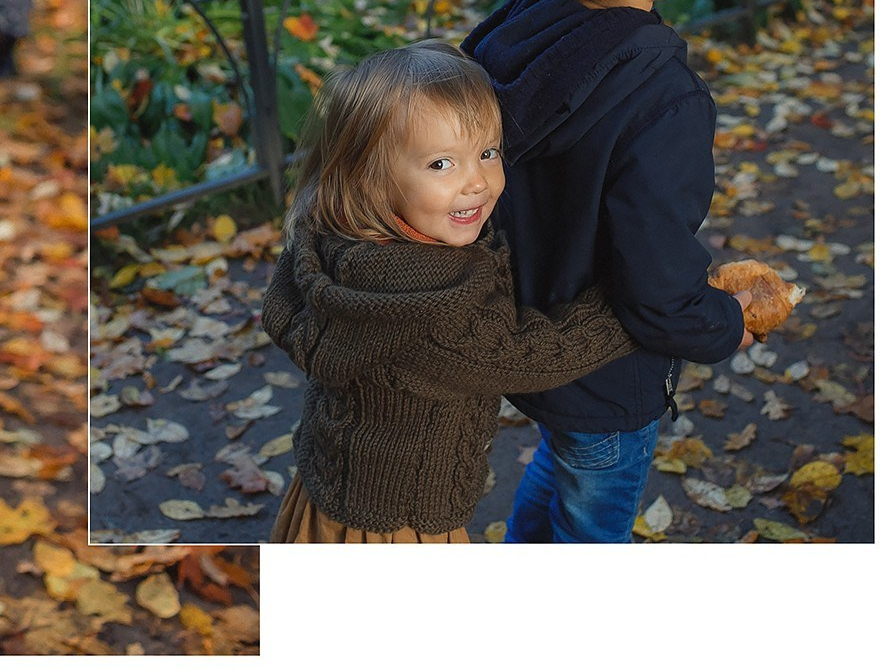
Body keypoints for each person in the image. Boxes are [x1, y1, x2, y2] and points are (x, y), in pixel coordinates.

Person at [464, 0, 753, 544]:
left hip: (531, 330)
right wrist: (725, 323)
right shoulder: (664, 99)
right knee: (595, 523)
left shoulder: (526, 20)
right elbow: (654, 278)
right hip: (603, 368)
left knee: (567, 464)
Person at [261, 41, 640, 542]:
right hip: (400, 528)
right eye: (442, 164)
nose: (477, 182)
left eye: (488, 152)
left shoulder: (333, 246)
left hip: (330, 492)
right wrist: (648, 304)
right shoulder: (429, 314)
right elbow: (537, 356)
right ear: (371, 180)